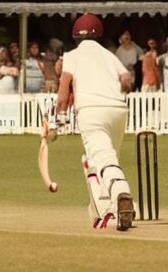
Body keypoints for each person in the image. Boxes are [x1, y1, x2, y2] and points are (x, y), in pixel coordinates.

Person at [53, 14, 136, 231]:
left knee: (104, 159)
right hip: (118, 109)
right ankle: (107, 208)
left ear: (75, 35)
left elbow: (63, 93)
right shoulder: (109, 55)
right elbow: (127, 79)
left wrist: (58, 119)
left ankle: (121, 195)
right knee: (106, 160)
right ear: (98, 33)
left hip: (91, 110)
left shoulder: (71, 55)